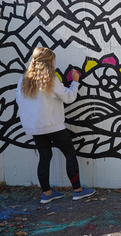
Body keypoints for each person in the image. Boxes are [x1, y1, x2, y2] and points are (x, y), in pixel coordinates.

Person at [16, 47, 96, 204]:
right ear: (49, 62)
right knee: (69, 154)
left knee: (44, 157)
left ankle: (46, 193)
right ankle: (78, 191)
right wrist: (75, 81)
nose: (55, 62)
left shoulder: (23, 81)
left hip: (35, 127)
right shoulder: (50, 81)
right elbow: (69, 98)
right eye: (53, 60)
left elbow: (20, 102)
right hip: (53, 126)